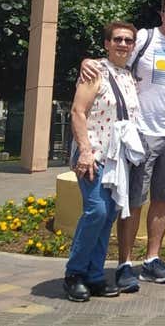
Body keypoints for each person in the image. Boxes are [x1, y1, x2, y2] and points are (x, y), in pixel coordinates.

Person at [80, 0, 165, 291]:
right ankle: (125, 264)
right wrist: (87, 61)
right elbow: (113, 60)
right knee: (133, 200)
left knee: (162, 199)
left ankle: (152, 261)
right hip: (139, 134)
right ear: (161, 14)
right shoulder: (143, 38)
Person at [64, 21, 142, 302]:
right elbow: (78, 111)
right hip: (93, 156)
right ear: (107, 43)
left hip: (117, 160)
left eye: (128, 41)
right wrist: (84, 149)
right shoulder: (94, 71)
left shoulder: (128, 76)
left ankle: (95, 275)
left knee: (108, 214)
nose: (123, 44)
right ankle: (74, 273)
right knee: (96, 210)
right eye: (117, 39)